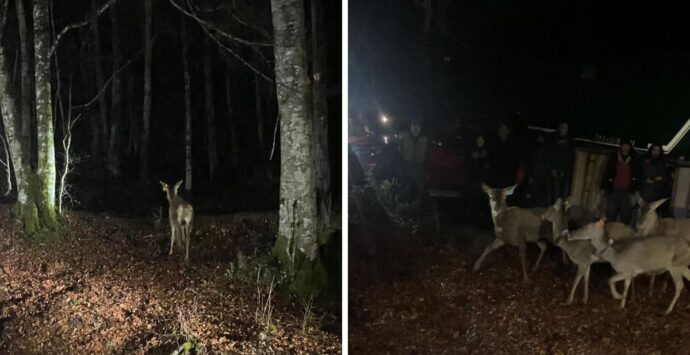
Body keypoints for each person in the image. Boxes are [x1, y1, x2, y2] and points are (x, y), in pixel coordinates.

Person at [601, 139, 639, 224]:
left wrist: (635, 191)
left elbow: (638, 176)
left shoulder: (635, 159)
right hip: (614, 190)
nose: (625, 148)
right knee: (610, 215)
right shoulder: (614, 157)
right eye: (624, 146)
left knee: (625, 217)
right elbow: (607, 172)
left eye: (627, 146)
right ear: (621, 147)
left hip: (627, 192)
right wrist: (603, 187)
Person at [544, 122, 576, 204]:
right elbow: (549, 156)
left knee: (565, 195)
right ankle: (555, 213)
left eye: (565, 128)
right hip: (556, 171)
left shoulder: (571, 142)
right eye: (562, 127)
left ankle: (562, 213)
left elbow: (571, 157)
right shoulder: (554, 141)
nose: (563, 129)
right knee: (556, 194)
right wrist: (552, 168)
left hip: (566, 172)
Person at [399, 120, 428, 205]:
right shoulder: (404, 137)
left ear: (421, 128)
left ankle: (418, 206)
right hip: (407, 165)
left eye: (418, 126)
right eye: (414, 126)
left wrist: (427, 168)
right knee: (407, 186)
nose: (416, 128)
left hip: (420, 166)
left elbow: (427, 154)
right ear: (411, 128)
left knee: (420, 188)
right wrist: (401, 166)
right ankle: (406, 205)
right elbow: (400, 152)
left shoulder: (424, 139)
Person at [488, 124, 519, 189]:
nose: (503, 132)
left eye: (505, 130)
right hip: (495, 176)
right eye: (502, 130)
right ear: (498, 131)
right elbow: (490, 158)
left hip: (508, 176)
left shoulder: (512, 144)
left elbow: (515, 159)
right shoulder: (493, 143)